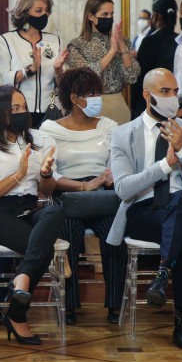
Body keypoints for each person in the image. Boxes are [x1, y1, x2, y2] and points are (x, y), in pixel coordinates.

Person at [107, 68, 182, 351]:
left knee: (181, 204)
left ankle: (162, 275)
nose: (172, 97)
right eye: (165, 92)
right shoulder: (122, 134)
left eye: (175, 91)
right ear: (147, 95)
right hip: (145, 211)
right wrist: (165, 165)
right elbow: (123, 189)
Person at [0, 85, 63, 345]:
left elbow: (47, 190)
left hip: (29, 207)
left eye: (24, 107)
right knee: (43, 248)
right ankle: (18, 316)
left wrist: (45, 174)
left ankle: (21, 279)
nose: (22, 113)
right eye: (14, 109)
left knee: (54, 211)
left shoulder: (42, 141)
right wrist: (18, 175)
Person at [39, 68, 126, 325]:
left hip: (103, 195)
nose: (97, 99)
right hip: (67, 194)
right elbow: (50, 174)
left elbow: (116, 163)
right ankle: (68, 304)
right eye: (90, 94)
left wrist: (106, 178)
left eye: (97, 93)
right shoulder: (50, 129)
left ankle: (115, 304)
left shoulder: (108, 126)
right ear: (74, 98)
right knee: (68, 234)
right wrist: (85, 186)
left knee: (114, 234)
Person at [0, 0, 69, 127]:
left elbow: (64, 85)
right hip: (19, 111)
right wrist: (30, 70)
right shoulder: (6, 40)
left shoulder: (55, 41)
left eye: (46, 11)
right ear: (24, 13)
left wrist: (59, 71)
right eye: (38, 11)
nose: (44, 15)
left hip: (50, 112)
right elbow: (1, 79)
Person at [67, 0, 140, 125]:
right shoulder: (77, 45)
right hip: (92, 106)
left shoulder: (123, 42)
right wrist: (112, 51)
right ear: (91, 16)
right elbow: (86, 77)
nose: (109, 18)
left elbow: (131, 77)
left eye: (112, 14)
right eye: (104, 14)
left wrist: (122, 47)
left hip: (119, 105)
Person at [132, 0, 178, 119]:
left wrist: (133, 105)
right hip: (171, 97)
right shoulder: (178, 40)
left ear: (156, 16)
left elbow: (140, 74)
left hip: (150, 99)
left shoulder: (149, 41)